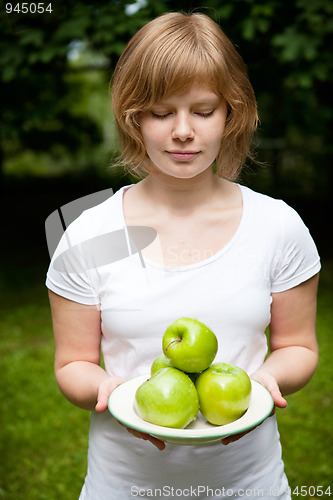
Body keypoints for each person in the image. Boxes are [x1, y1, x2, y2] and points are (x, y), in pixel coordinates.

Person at [46, 12, 321, 500]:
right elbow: (73, 363)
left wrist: (263, 383)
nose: (183, 132)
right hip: (123, 486)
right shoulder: (88, 233)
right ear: (133, 117)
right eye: (160, 112)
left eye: (203, 110)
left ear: (231, 113)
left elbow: (299, 347)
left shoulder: (278, 226)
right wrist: (105, 390)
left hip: (249, 486)